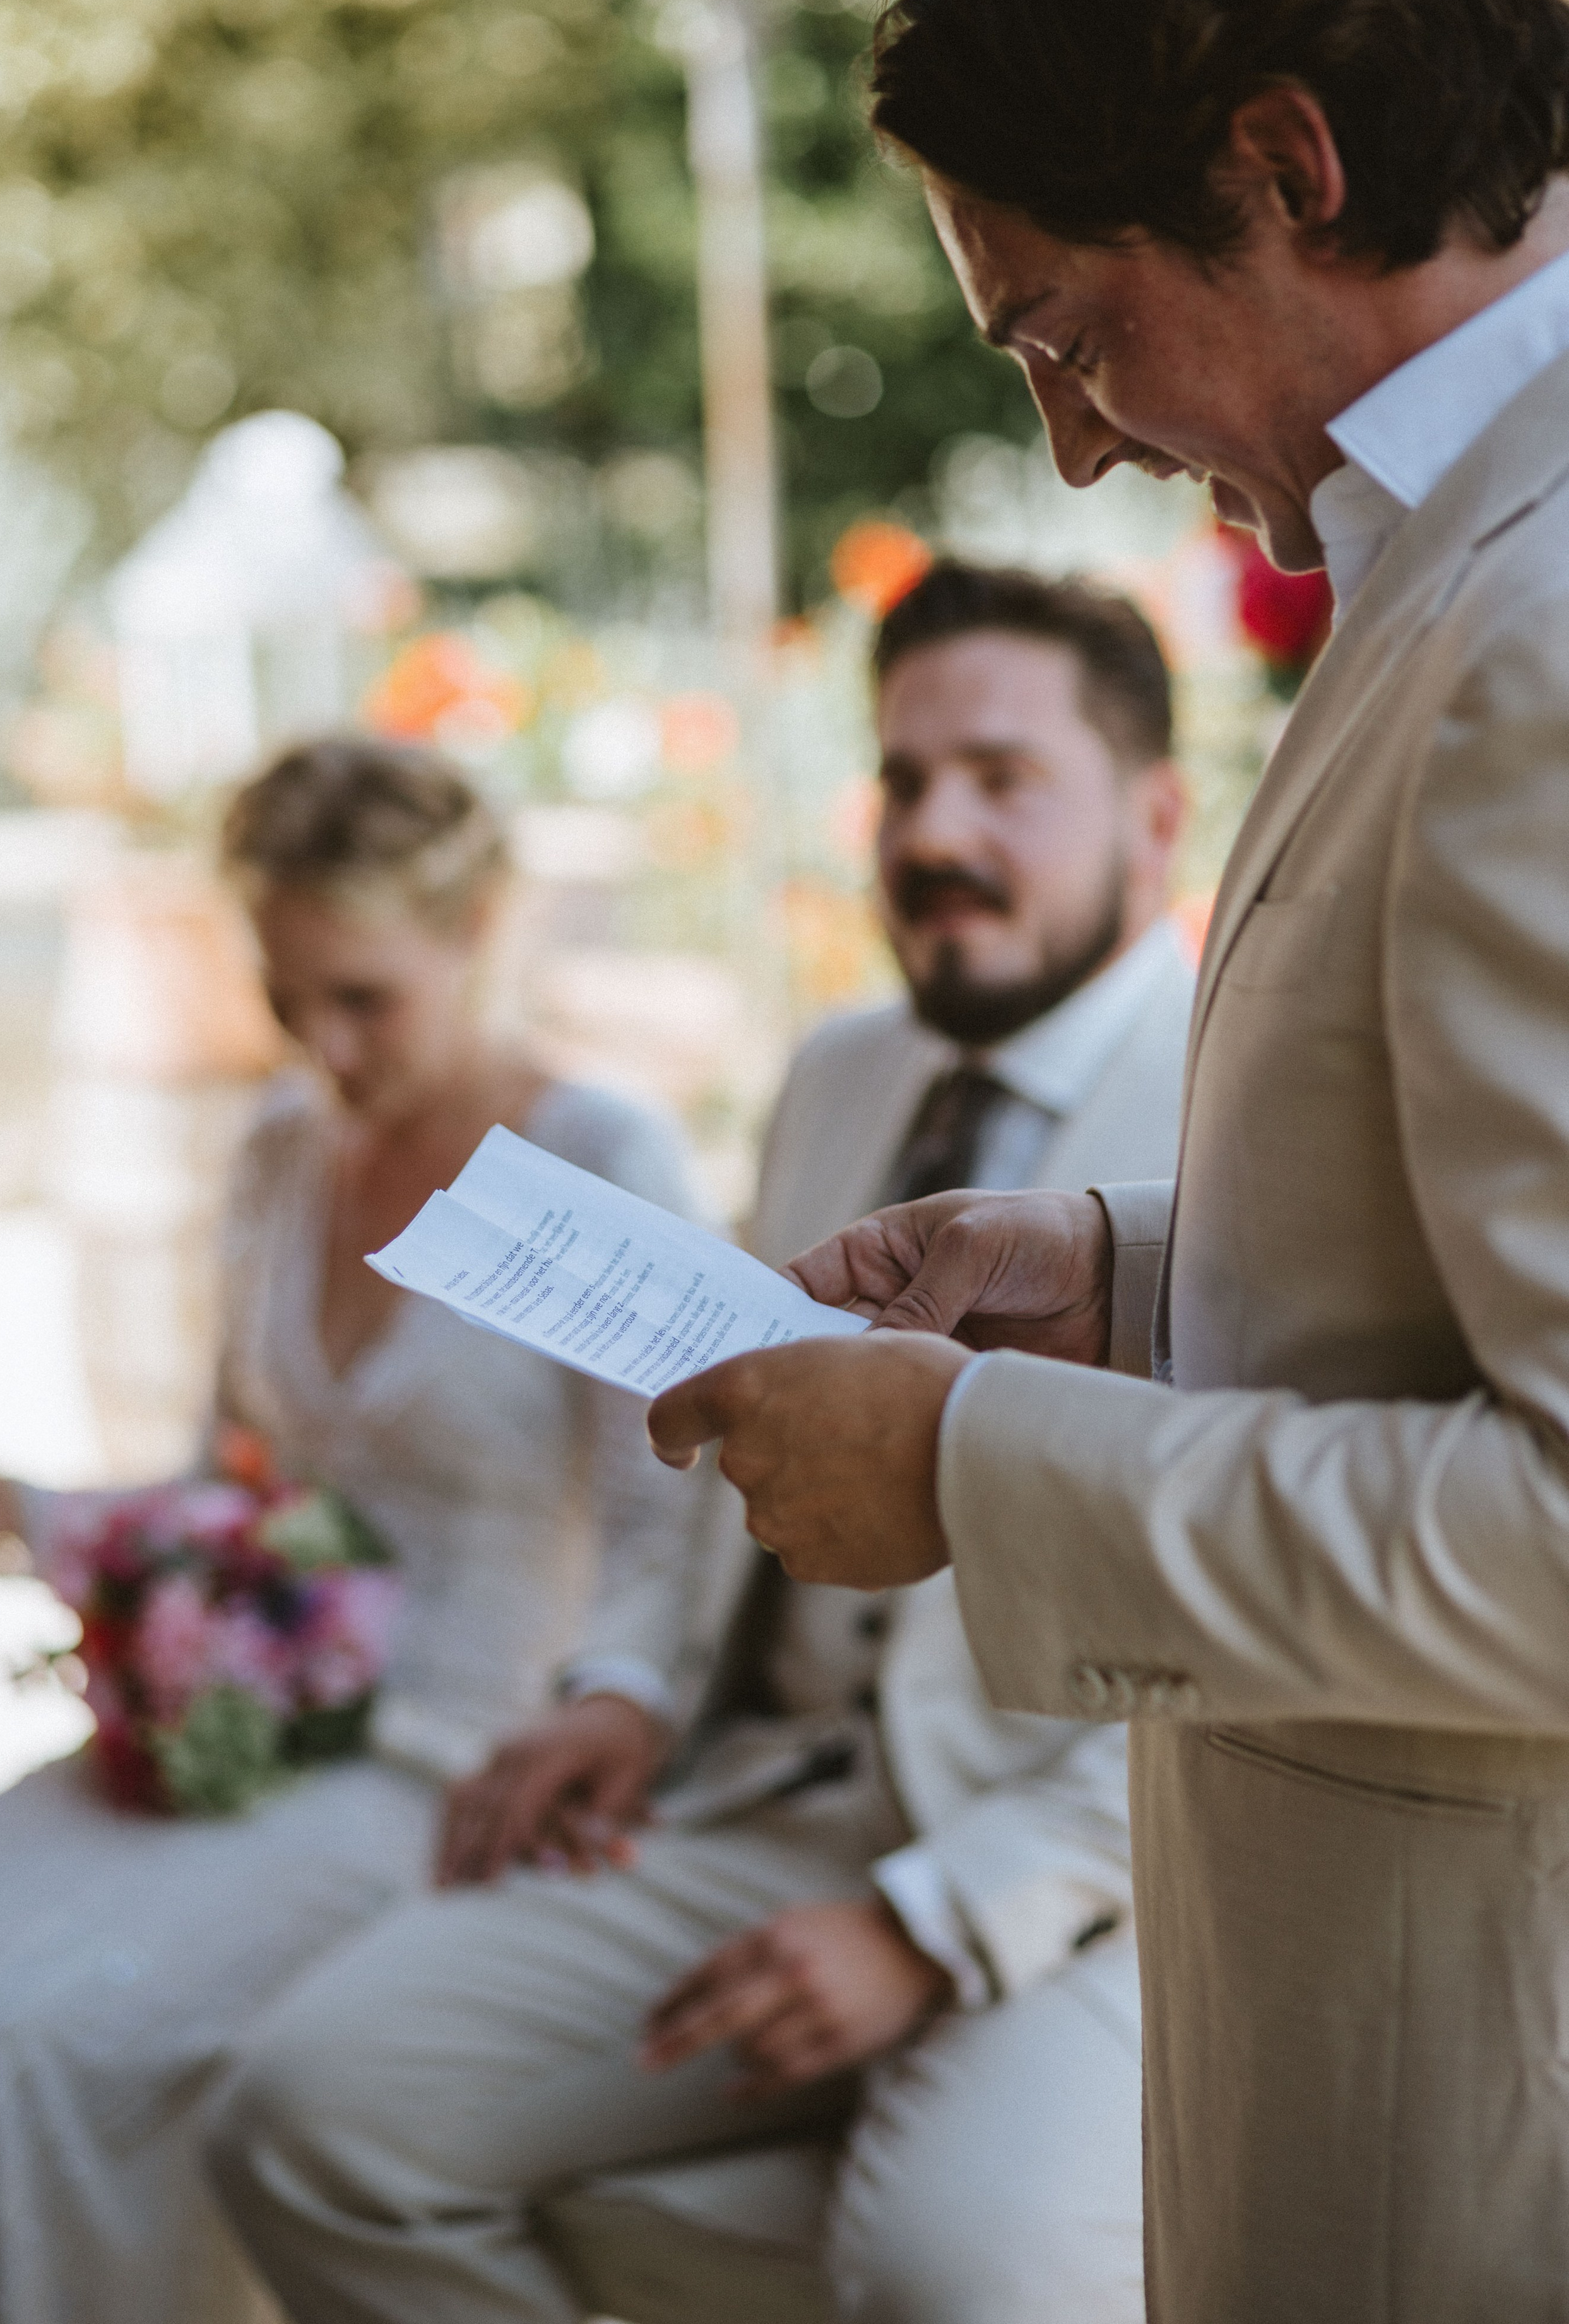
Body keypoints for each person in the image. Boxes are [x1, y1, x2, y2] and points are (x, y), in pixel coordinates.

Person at [644, 0, 1569, 2319]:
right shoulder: (1466, 556)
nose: (1072, 440)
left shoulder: (1549, 619)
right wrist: (1126, 1271)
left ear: (1287, 163)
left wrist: (955, 1466)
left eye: (1064, 332)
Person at [202, 563, 1193, 2324]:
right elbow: (700, 1458)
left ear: (1161, 815)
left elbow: (1270, 1603)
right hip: (767, 1794)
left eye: (1002, 778)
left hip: (1097, 1870)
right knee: (302, 2118)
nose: (935, 831)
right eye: (901, 779)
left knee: (957, 2272)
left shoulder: (1237, 1109)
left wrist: (933, 1920)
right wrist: (626, 1689)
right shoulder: (836, 1070)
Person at [0, 738, 704, 2324]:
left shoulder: (598, 1160)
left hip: (459, 1753)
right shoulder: (281, 1155)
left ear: (479, 924)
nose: (325, 1045)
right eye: (289, 1000)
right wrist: (21, 1512)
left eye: (363, 997)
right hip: (254, 1720)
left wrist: (608, 1706)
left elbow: (673, 1528)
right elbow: (230, 1491)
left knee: (32, 2027)